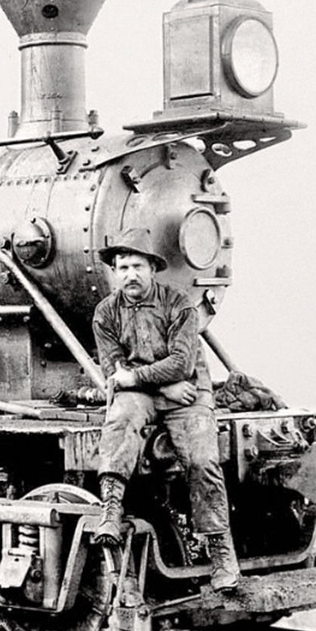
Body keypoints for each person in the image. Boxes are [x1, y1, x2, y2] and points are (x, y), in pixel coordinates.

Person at [91, 227, 241, 592]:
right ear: (114, 272)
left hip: (188, 396)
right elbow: (114, 371)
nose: (131, 274)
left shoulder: (179, 305)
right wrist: (159, 385)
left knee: (202, 458)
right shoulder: (105, 313)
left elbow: (181, 364)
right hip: (156, 392)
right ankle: (110, 511)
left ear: (153, 269)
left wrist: (139, 378)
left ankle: (222, 556)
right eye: (123, 267)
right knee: (120, 419)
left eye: (138, 266)